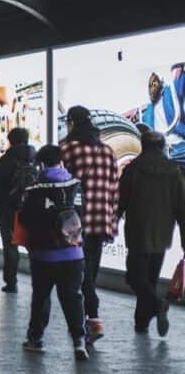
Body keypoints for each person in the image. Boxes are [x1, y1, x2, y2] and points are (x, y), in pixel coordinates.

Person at [19, 145, 89, 361]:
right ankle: (79, 342)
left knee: (41, 297)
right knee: (73, 297)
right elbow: (83, 214)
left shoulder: (33, 190)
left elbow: (25, 220)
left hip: (43, 255)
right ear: (62, 162)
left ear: (41, 164)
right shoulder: (76, 186)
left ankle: (36, 339)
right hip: (73, 254)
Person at [117, 131, 185, 336]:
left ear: (143, 145)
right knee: (151, 279)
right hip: (163, 232)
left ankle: (156, 305)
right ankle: (141, 323)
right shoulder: (175, 171)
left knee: (134, 277)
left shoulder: (134, 169)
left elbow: (122, 200)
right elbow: (182, 208)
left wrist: (113, 221)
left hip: (138, 230)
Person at [60, 105, 119, 343]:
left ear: (72, 123)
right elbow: (115, 189)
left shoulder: (68, 149)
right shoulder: (107, 151)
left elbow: (61, 184)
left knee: (77, 273)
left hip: (76, 220)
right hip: (100, 219)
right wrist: (112, 216)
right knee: (90, 272)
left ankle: (92, 318)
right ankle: (87, 320)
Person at [0, 128, 37, 293]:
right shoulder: (35, 159)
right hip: (32, 209)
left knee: (10, 246)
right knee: (34, 245)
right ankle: (40, 278)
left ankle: (11, 282)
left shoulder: (6, 160)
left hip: (8, 210)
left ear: (11, 140)